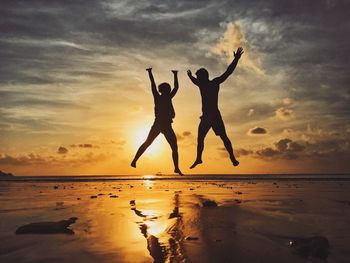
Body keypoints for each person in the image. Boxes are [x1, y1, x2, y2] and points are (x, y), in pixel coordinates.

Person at [187, 47, 244, 169]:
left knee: (223, 137)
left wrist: (236, 59)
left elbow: (228, 72)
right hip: (205, 117)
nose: (198, 79)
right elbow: (194, 80)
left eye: (199, 77)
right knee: (200, 138)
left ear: (204, 76)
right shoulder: (202, 84)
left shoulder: (214, 83)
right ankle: (199, 159)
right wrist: (190, 76)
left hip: (214, 116)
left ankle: (232, 158)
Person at [131, 68, 183, 175]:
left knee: (172, 146)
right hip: (160, 124)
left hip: (165, 125)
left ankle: (176, 168)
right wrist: (175, 75)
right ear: (164, 90)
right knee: (150, 143)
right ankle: (135, 160)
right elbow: (154, 85)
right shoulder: (161, 97)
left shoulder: (167, 97)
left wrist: (175, 75)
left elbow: (173, 87)